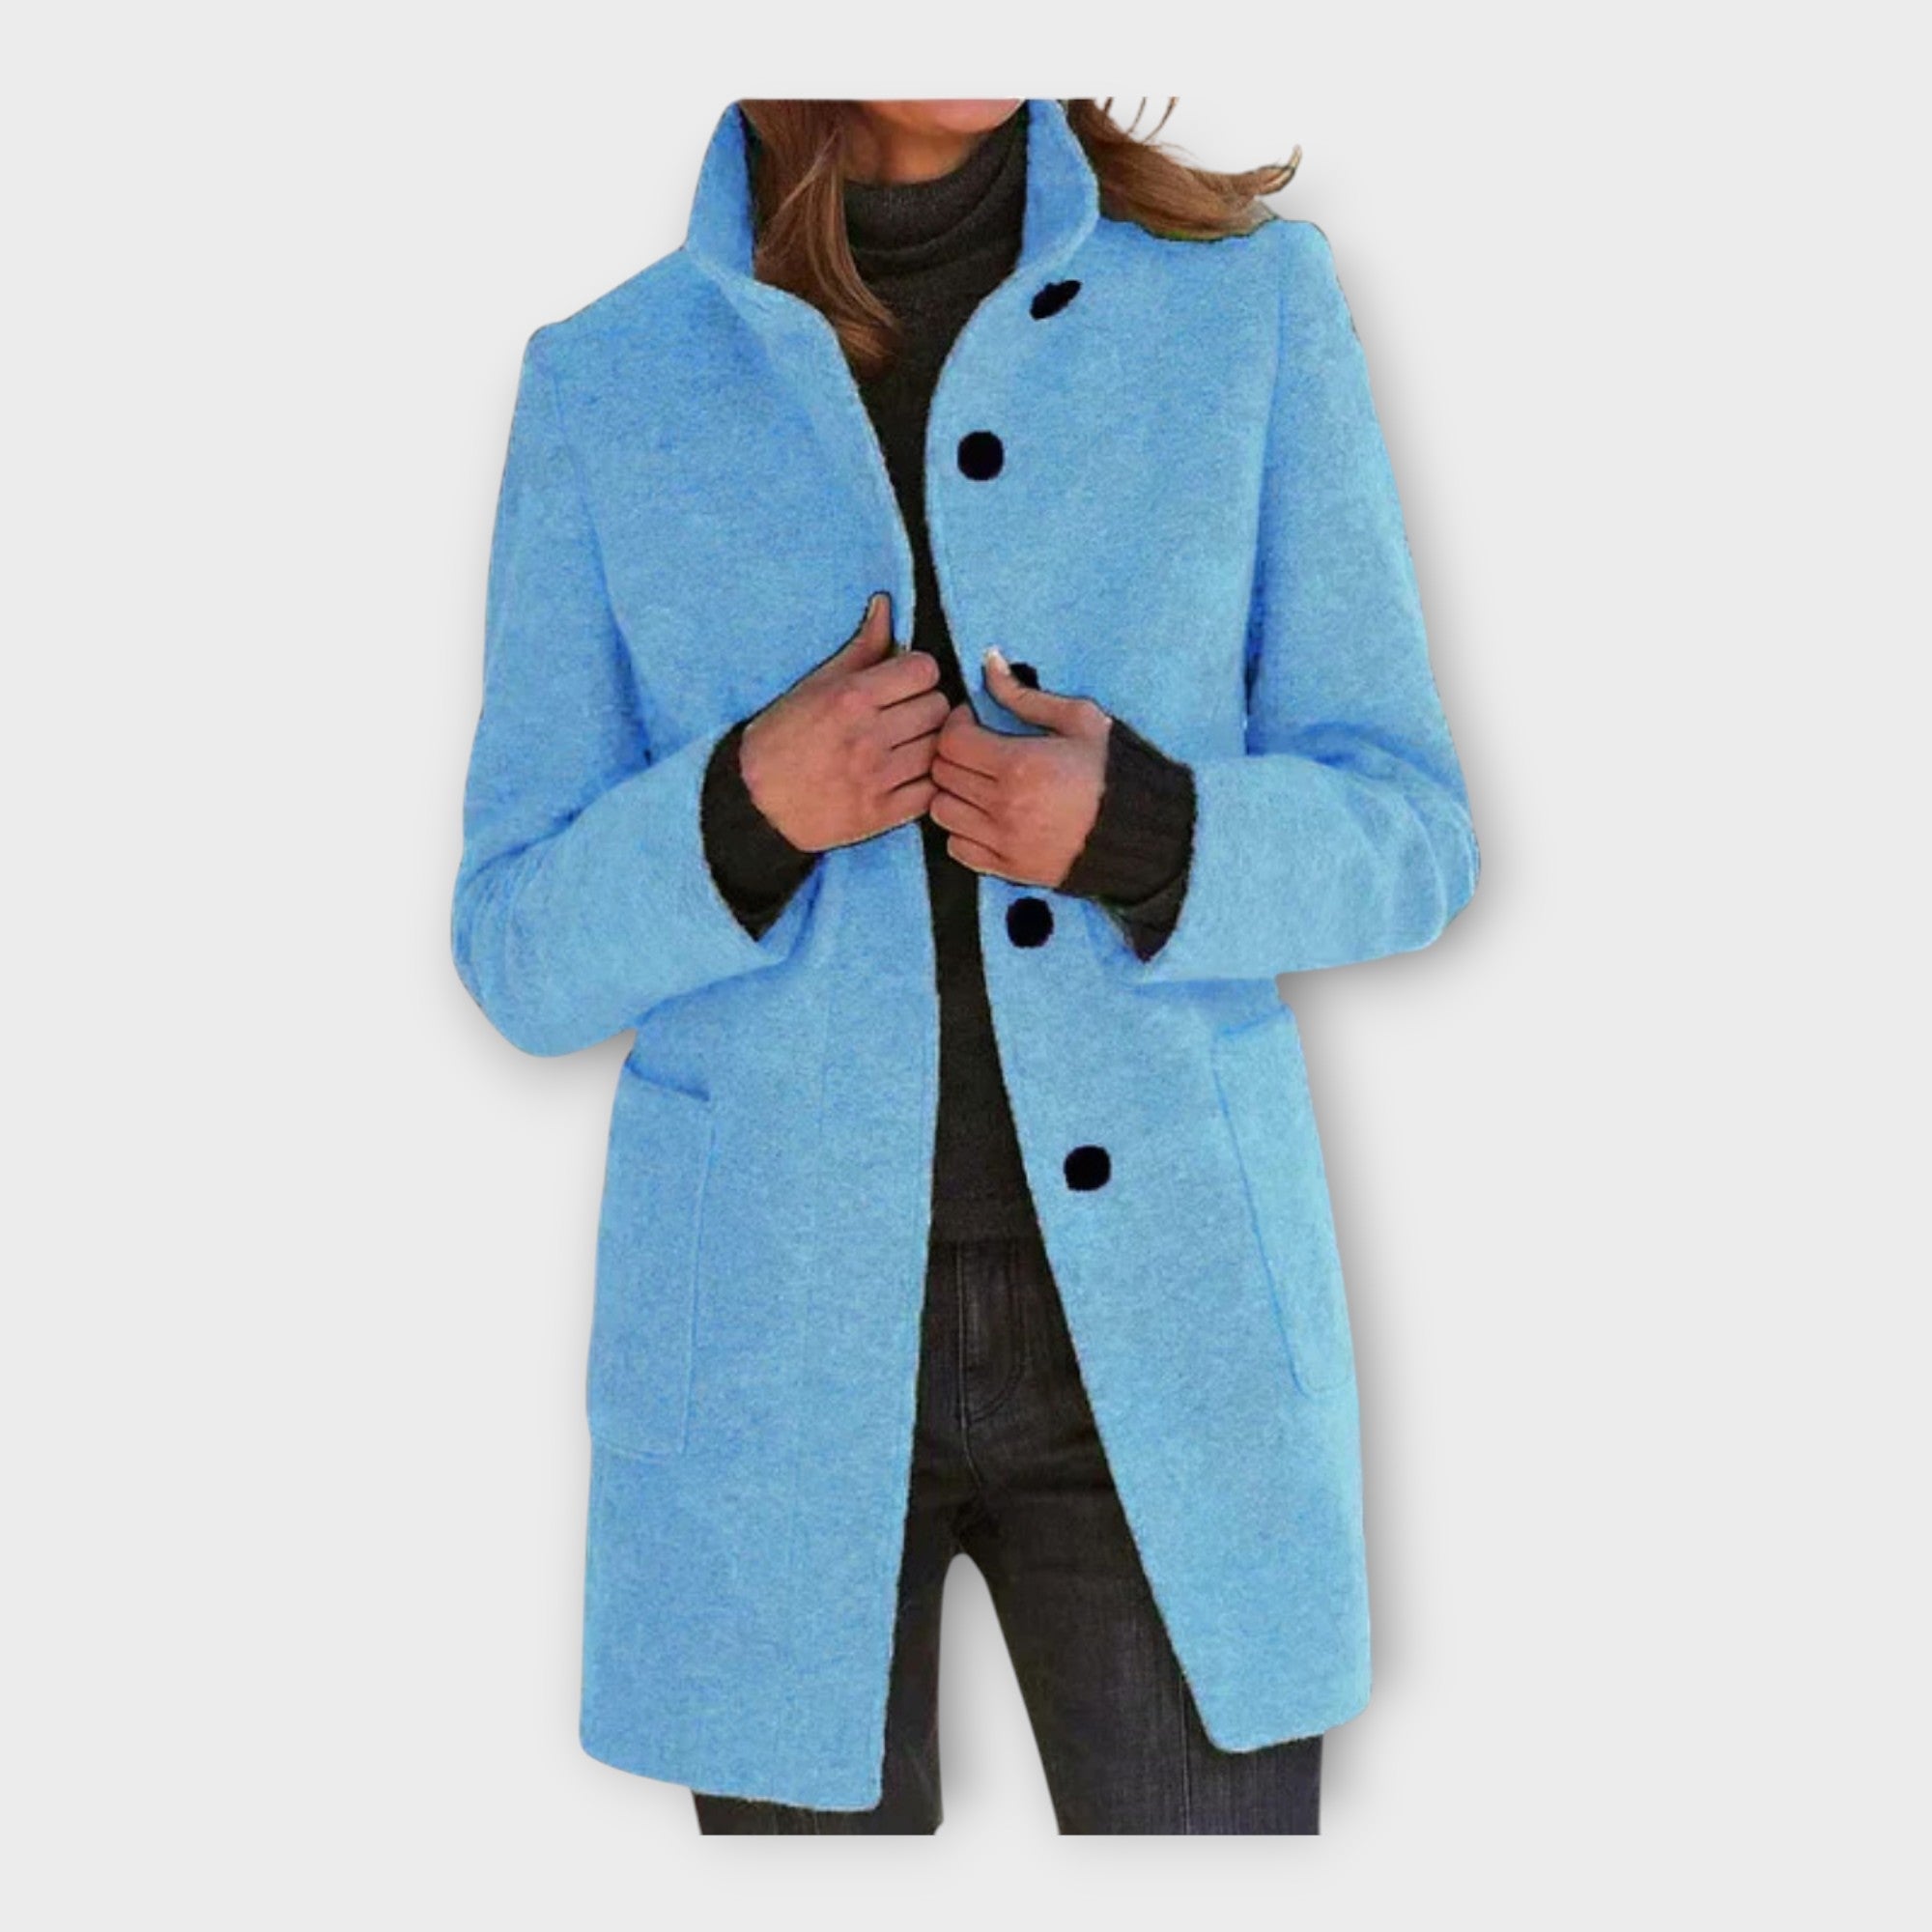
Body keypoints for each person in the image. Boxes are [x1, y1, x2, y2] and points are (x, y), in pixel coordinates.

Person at [451, 97, 1479, 1835]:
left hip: (1172, 1335)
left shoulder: (1247, 308)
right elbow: (515, 946)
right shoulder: (608, 379)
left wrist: (1148, 830)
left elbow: (1413, 834)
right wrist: (741, 810)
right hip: (767, 1360)